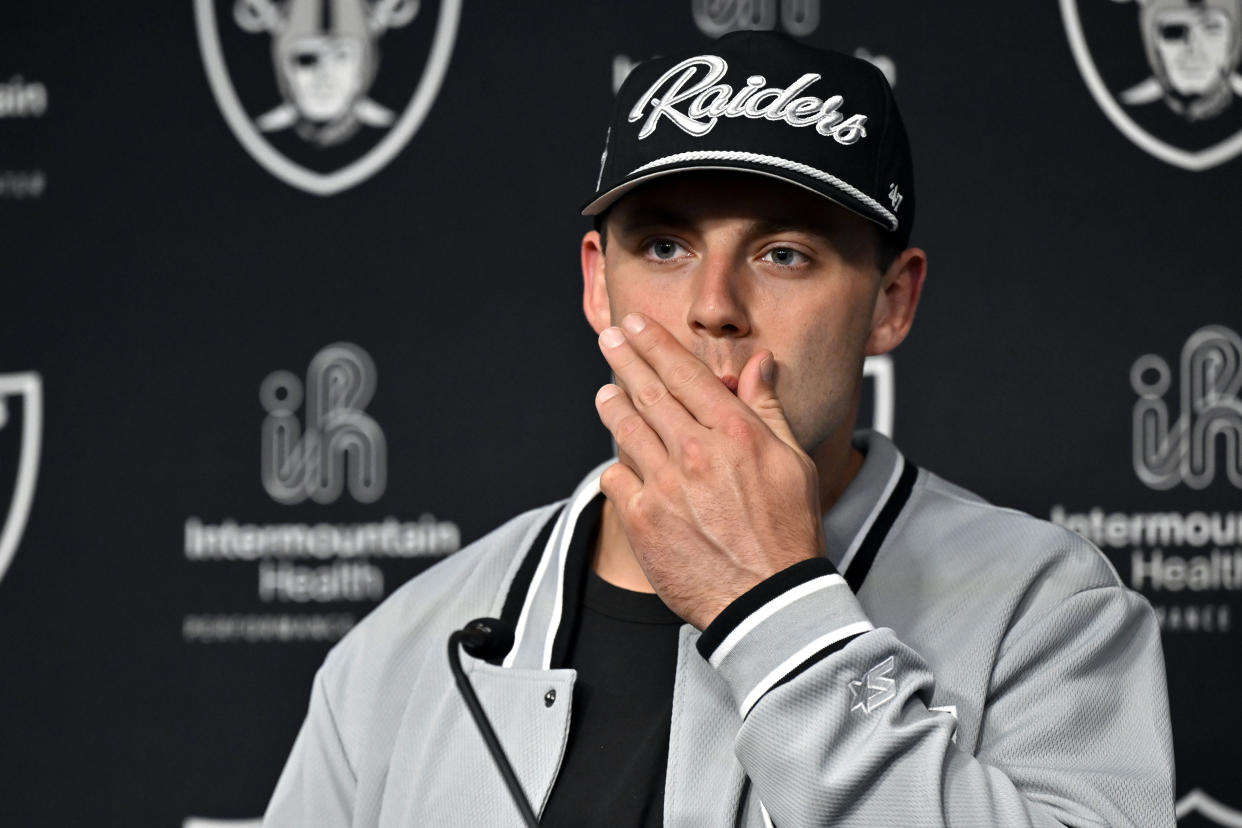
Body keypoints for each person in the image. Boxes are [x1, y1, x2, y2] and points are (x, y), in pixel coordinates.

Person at [263, 31, 1175, 826]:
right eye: (665, 247)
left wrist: (775, 609)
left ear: (891, 303)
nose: (712, 308)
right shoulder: (397, 653)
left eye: (784, 254)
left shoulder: (1048, 613)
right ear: (596, 281)